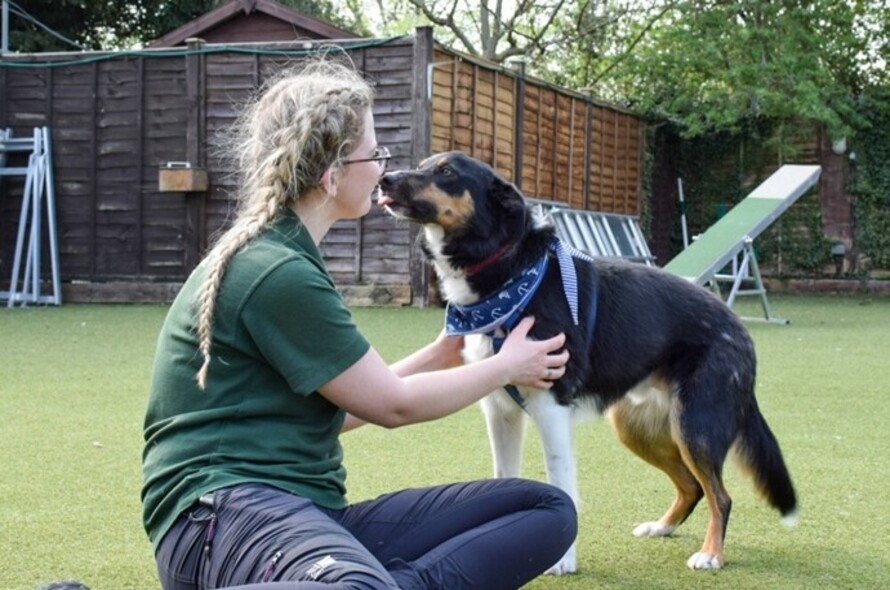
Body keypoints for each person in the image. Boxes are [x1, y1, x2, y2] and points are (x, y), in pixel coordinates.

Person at [142, 58, 576, 590]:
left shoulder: (285, 255)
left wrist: (441, 352)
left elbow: (341, 409)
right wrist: (508, 365)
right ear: (332, 175)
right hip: (222, 517)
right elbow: (392, 405)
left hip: (304, 513)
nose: (384, 168)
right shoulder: (274, 271)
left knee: (545, 508)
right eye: (375, 153)